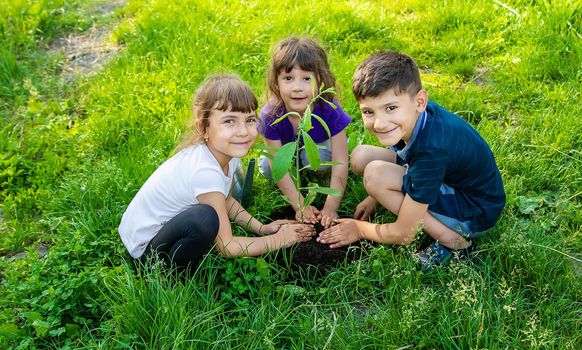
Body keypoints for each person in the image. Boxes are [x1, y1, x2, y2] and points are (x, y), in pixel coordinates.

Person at [317, 51, 506, 269]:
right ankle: (399, 195)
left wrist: (359, 229)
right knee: (361, 157)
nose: (379, 123)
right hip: (450, 179)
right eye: (369, 112)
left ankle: (455, 243)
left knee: (375, 175)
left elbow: (404, 233)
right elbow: (410, 157)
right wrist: (375, 198)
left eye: (390, 108)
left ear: (420, 101)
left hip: (474, 210)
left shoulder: (433, 150)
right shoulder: (415, 118)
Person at [118, 75, 314, 272]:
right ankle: (168, 274)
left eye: (250, 120)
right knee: (204, 218)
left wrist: (261, 228)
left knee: (207, 214)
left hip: (154, 232)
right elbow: (227, 247)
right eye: (229, 121)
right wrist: (277, 239)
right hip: (144, 251)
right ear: (203, 128)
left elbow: (226, 199)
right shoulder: (205, 171)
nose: (243, 131)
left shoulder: (226, 150)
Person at [258, 36, 352, 228]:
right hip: (285, 155)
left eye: (307, 79)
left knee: (315, 159)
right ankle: (297, 172)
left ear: (320, 82)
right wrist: (299, 205)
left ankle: (317, 171)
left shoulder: (329, 110)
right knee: (268, 168)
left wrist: (331, 206)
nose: (297, 88)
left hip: (318, 150)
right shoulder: (270, 115)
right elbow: (278, 167)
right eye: (288, 78)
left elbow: (341, 161)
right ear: (276, 83)